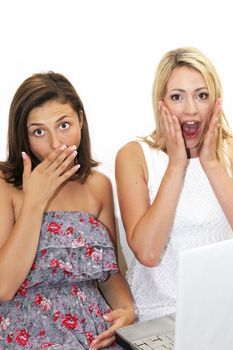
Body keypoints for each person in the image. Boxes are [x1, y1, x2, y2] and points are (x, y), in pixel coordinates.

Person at [0, 72, 135, 349]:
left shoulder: (98, 185)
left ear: (81, 121)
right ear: (23, 136)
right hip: (26, 336)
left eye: (64, 125)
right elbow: (4, 285)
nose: (55, 143)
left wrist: (127, 310)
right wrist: (35, 200)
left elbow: (109, 275)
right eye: (39, 131)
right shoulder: (4, 184)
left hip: (95, 335)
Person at [115, 47, 233, 322]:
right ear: (161, 103)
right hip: (161, 315)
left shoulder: (228, 150)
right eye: (177, 97)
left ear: (216, 100)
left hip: (224, 312)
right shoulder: (134, 156)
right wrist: (177, 166)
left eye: (201, 96)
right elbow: (148, 252)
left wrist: (212, 164)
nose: (191, 109)